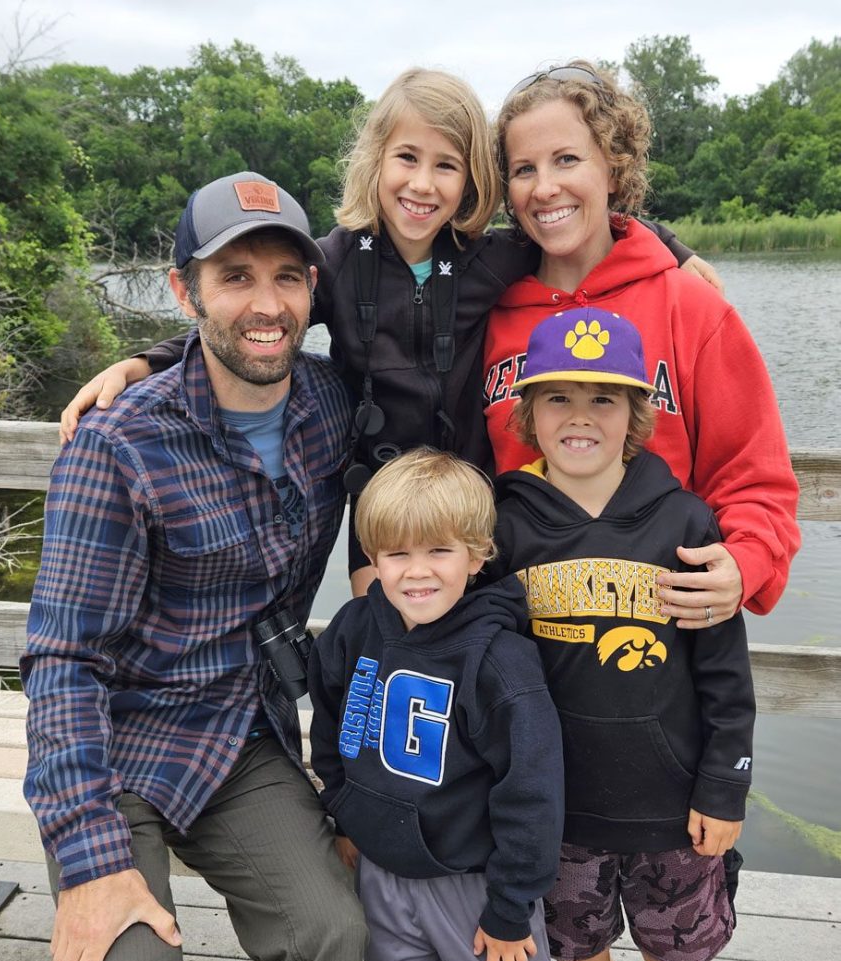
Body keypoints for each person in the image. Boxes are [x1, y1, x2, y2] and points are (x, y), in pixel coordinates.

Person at [58, 68, 715, 599]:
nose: (422, 185)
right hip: (379, 505)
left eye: (446, 167)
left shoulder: (487, 257)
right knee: (384, 636)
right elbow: (257, 314)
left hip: (475, 497)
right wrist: (147, 362)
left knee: (484, 640)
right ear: (376, 160)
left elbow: (585, 227)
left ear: (469, 183)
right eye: (407, 158)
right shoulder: (338, 259)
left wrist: (675, 252)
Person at [21, 172, 367, 961]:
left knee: (330, 931)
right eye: (234, 276)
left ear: (312, 289)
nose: (266, 303)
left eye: (286, 277)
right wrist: (95, 864)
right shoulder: (118, 447)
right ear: (184, 290)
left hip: (241, 733)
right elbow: (62, 662)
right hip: (117, 746)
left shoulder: (330, 403)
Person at [486, 305, 755, 961]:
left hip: (673, 808)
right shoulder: (505, 526)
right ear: (527, 412)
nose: (581, 417)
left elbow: (724, 674)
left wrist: (724, 787)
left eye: (603, 397)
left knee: (675, 952)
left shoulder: (685, 522)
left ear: (637, 412)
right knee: (575, 949)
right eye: (558, 397)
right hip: (558, 806)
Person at [483, 62, 800, 628]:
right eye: (523, 168)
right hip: (520, 647)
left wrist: (745, 561)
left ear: (614, 167)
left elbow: (755, 475)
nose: (545, 186)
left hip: (657, 645)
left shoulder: (692, 307)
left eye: (567, 159)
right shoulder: (487, 314)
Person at [307, 448, 564, 961]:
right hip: (379, 869)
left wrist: (509, 908)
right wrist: (344, 811)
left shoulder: (499, 662)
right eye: (397, 554)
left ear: (477, 557)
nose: (417, 571)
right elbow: (331, 724)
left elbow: (532, 790)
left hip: (471, 884)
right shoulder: (354, 630)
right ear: (373, 556)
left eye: (439, 552)